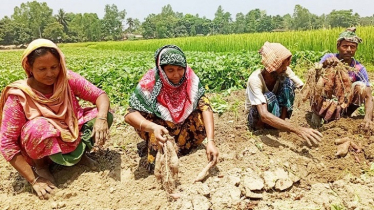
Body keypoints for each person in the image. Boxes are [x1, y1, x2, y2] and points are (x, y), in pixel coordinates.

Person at [0, 39, 113, 199]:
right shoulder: (19, 96)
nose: (50, 73)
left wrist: (101, 119)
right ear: (29, 68)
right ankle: (42, 167)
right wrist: (34, 180)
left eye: (54, 67)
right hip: (39, 145)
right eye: (42, 69)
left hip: (70, 132)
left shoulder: (66, 80)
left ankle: (79, 155)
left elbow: (99, 95)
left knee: (103, 114)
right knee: (38, 126)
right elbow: (7, 143)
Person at [125, 45, 219, 171]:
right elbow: (129, 114)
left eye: (180, 69)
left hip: (183, 132)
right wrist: (153, 127)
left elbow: (205, 106)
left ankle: (181, 149)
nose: (176, 75)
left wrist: (211, 141)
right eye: (170, 70)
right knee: (147, 120)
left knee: (199, 114)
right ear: (162, 70)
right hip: (160, 131)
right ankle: (159, 153)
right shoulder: (150, 83)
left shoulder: (190, 79)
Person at [245, 41, 323, 146]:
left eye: (286, 66)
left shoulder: (284, 71)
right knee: (269, 96)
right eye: (282, 66)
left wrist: (318, 77)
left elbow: (303, 89)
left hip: (274, 113)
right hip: (257, 119)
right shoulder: (255, 79)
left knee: (288, 84)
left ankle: (280, 124)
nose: (285, 69)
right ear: (271, 67)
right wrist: (297, 129)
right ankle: (261, 129)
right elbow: (263, 115)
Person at [313, 27, 373, 130]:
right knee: (320, 81)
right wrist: (324, 65)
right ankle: (317, 113)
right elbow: (315, 74)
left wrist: (367, 118)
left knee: (362, 87)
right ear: (338, 46)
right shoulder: (329, 57)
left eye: (352, 47)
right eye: (345, 46)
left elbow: (368, 96)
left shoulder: (358, 68)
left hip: (344, 102)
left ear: (356, 49)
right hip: (326, 98)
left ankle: (345, 115)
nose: (349, 50)